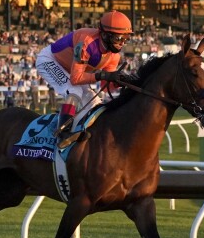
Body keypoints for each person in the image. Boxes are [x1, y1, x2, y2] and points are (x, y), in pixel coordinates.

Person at [35, 10, 137, 148]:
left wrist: (121, 81)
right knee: (74, 90)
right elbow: (76, 79)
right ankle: (62, 133)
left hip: (72, 69)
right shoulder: (87, 41)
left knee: (94, 102)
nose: (122, 43)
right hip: (50, 60)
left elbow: (105, 86)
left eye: (126, 39)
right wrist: (102, 75)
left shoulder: (114, 56)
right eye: (119, 38)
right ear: (106, 35)